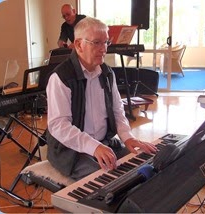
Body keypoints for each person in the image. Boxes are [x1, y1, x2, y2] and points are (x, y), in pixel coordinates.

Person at [46, 17, 157, 181]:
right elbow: (59, 125)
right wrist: (94, 147)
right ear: (78, 45)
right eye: (97, 43)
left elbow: (117, 110)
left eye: (106, 42)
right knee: (110, 179)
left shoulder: (107, 73)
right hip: (70, 151)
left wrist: (128, 137)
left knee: (146, 163)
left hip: (103, 142)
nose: (103, 49)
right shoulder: (61, 77)